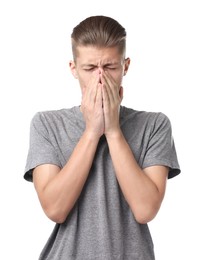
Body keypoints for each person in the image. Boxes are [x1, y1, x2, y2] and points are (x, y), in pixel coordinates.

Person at [24, 15, 181, 260]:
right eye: (89, 68)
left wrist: (114, 130)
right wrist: (91, 132)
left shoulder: (154, 125)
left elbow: (145, 209)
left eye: (109, 67)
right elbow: (55, 209)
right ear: (74, 69)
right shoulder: (46, 124)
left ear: (125, 66)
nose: (100, 78)